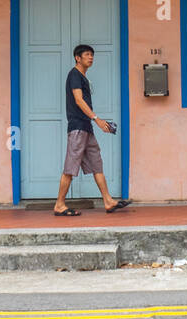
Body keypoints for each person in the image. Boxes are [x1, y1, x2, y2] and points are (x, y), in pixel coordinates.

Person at [54, 44, 130, 216]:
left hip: (86, 128)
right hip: (78, 128)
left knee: (97, 165)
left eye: (92, 55)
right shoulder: (74, 75)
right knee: (70, 168)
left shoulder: (83, 77)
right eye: (87, 55)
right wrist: (97, 119)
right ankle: (59, 204)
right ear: (77, 58)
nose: (91, 58)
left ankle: (108, 201)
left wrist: (93, 122)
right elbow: (79, 101)